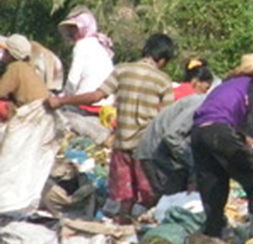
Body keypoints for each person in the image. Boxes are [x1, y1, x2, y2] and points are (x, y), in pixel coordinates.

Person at [47, 34, 177, 222]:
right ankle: (138, 225)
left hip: (121, 142)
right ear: (163, 59)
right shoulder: (163, 80)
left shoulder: (122, 70)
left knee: (124, 194)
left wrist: (62, 100)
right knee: (148, 192)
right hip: (146, 147)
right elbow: (167, 118)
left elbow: (95, 96)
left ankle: (120, 221)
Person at [191, 53, 253, 238]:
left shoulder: (227, 86)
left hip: (198, 132)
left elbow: (238, 119)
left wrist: (245, 137)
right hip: (218, 131)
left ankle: (213, 234)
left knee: (215, 182)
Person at [0, 35, 60, 214]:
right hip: (42, 117)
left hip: (31, 117)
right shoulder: (28, 68)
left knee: (12, 156)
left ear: (11, 54)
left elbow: (1, 91)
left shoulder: (15, 68)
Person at [136, 89, 211, 200]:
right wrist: (193, 163)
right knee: (170, 200)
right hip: (157, 153)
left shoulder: (205, 103)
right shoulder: (201, 104)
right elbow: (172, 136)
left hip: (167, 153)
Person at [57, 7, 115, 142]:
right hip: (107, 101)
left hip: (88, 101)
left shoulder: (82, 46)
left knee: (62, 117)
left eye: (75, 29)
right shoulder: (99, 45)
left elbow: (73, 79)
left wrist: (63, 99)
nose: (73, 33)